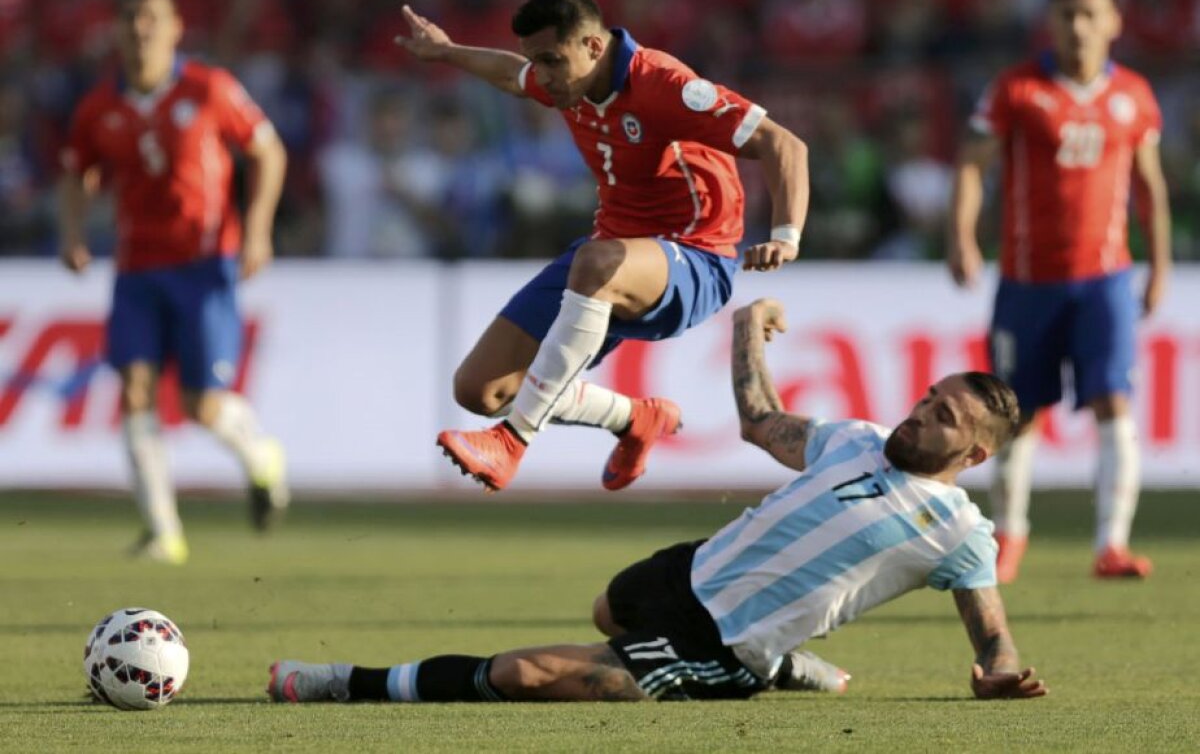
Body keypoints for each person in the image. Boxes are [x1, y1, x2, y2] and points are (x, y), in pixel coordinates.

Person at [266, 298, 1047, 704]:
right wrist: (747, 327)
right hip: (692, 572)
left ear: (975, 454)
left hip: (720, 646)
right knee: (607, 611)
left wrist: (1000, 672)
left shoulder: (958, 531)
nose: (919, 413)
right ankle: (788, 667)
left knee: (529, 675)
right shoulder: (856, 437)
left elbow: (993, 634)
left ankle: (340, 682)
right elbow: (758, 421)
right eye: (928, 397)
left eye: (943, 417)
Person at [394, 0, 811, 492]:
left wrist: (786, 235)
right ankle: (635, 419)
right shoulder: (568, 78)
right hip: (611, 259)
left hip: (696, 258)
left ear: (592, 46)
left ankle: (512, 440)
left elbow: (783, 144)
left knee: (592, 263)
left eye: (550, 61)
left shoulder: (663, 85)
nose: (542, 79)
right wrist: (446, 52)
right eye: (538, 62)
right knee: (479, 388)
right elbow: (510, 74)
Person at [947, 0, 1172, 582]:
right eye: (1067, 13)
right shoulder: (1017, 88)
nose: (1079, 25)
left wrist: (1159, 264)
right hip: (1026, 283)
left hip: (1105, 281)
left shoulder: (1133, 94)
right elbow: (971, 166)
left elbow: (1148, 186)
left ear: (1114, 23)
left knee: (1113, 401)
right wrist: (962, 237)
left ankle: (1111, 544)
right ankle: (1011, 537)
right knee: (1019, 412)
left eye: (1090, 13)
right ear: (1052, 20)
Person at [58, 0, 291, 565]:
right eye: (132, 18)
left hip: (204, 265)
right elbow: (77, 172)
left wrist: (258, 230)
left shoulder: (209, 88)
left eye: (152, 19)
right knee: (134, 392)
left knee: (201, 406)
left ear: (175, 28)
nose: (142, 30)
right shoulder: (98, 108)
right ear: (117, 29)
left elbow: (268, 151)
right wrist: (73, 233)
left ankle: (262, 457)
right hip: (137, 269)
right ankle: (164, 531)